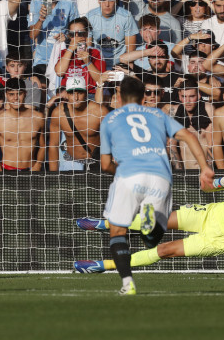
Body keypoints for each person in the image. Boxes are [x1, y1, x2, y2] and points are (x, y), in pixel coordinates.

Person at [74, 76, 214, 295]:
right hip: (159, 175)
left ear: (119, 96)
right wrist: (205, 167)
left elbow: (105, 164)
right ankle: (150, 224)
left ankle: (127, 283)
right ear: (143, 97)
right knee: (152, 240)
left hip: (130, 175)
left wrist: (118, 170)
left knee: (117, 230)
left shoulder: (110, 120)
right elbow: (188, 135)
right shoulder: (158, 114)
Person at [75, 154, 224, 275]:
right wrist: (221, 183)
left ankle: (102, 266)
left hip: (222, 238)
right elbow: (205, 186)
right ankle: (104, 223)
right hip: (210, 213)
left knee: (164, 250)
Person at [47, 76, 109, 172]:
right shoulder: (58, 113)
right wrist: (53, 175)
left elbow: (113, 142)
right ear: (67, 94)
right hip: (71, 162)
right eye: (72, 93)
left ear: (86, 93)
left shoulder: (100, 112)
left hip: (96, 163)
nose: (76, 98)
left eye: (79, 93)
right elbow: (53, 146)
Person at [0, 78, 45, 172]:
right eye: (11, 94)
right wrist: (0, 174)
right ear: (6, 95)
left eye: (19, 94)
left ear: (25, 94)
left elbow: (43, 146)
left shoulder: (38, 118)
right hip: (6, 170)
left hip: (31, 169)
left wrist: (38, 164)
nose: (15, 98)